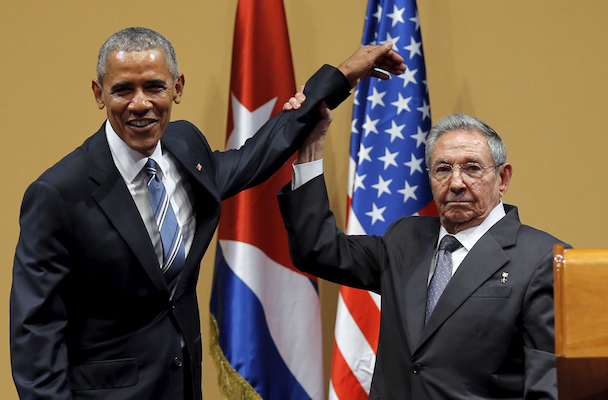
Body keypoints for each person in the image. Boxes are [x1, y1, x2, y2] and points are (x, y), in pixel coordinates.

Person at [10, 27, 406, 400]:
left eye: (154, 87)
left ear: (177, 88)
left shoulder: (185, 148)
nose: (140, 104)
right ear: (99, 94)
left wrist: (338, 78)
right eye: (122, 91)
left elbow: (255, 156)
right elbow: (35, 333)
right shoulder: (58, 193)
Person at [277, 108, 568, 399]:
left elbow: (551, 383)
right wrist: (311, 146)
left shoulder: (544, 258)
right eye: (443, 169)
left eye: (472, 168)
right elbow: (318, 249)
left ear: (502, 179)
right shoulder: (405, 239)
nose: (456, 183)